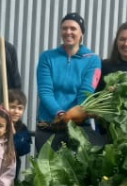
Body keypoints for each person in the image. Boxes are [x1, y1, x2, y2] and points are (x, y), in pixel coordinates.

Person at [35, 12, 102, 150]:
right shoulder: (47, 57)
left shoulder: (93, 60)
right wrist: (60, 114)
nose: (68, 32)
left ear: (82, 33)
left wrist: (72, 116)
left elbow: (86, 92)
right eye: (64, 28)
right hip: (50, 124)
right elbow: (45, 92)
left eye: (73, 28)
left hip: (78, 125)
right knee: (47, 163)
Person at [6, 89, 31, 179]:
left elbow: (24, 150)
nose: (16, 111)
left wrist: (15, 135)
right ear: (4, 105)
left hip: (12, 168)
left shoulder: (22, 128)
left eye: (20, 108)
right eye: (12, 107)